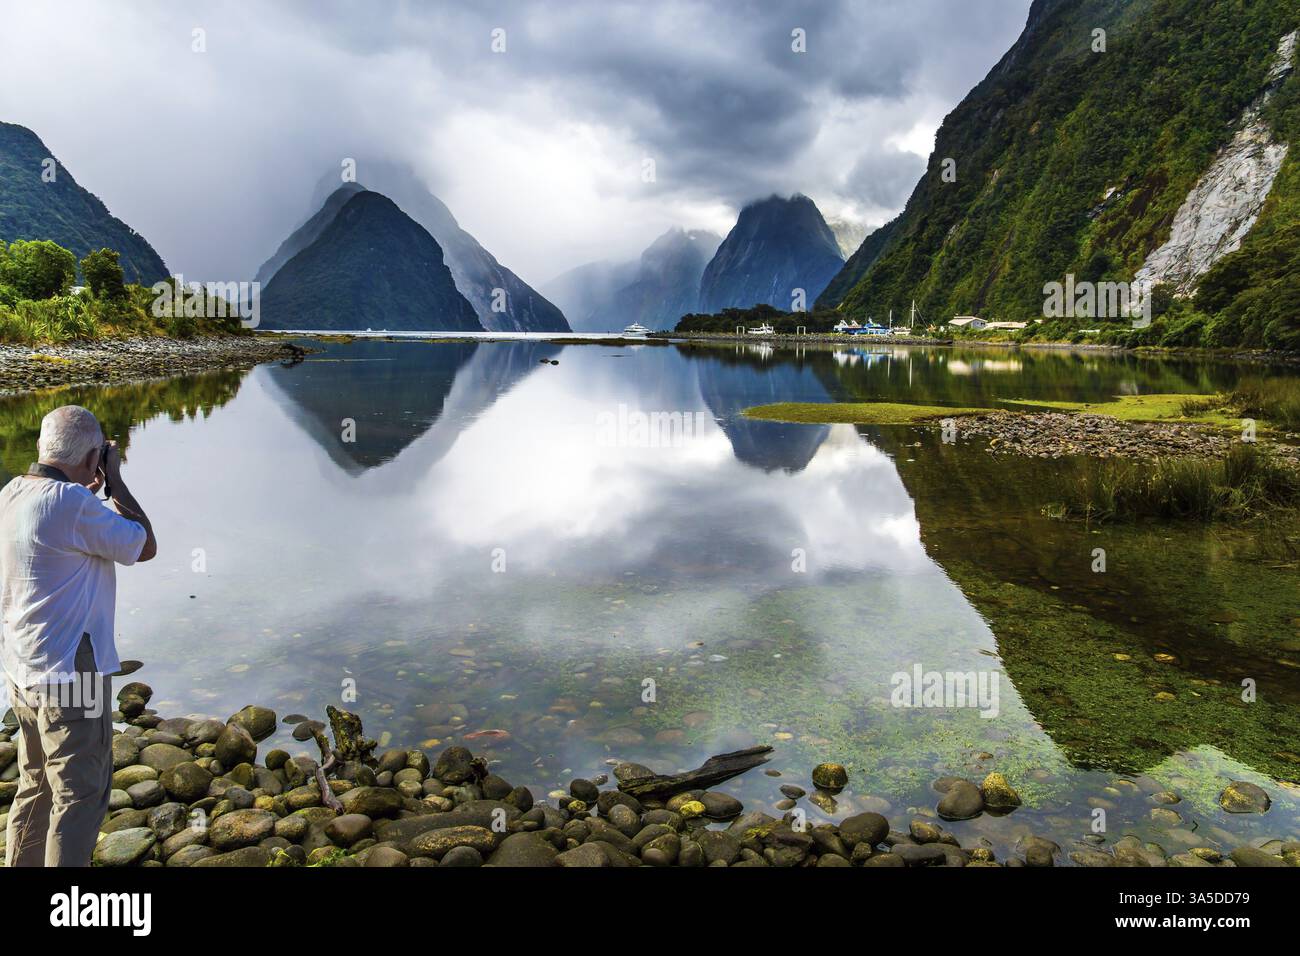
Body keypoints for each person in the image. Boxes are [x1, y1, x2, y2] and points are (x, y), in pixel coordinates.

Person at [0, 405, 156, 866]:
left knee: (37, 785)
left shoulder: (11, 493)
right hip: (74, 673)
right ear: (93, 456)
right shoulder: (70, 504)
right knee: (81, 794)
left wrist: (89, 478)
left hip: (22, 667)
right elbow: (143, 543)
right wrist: (115, 481)